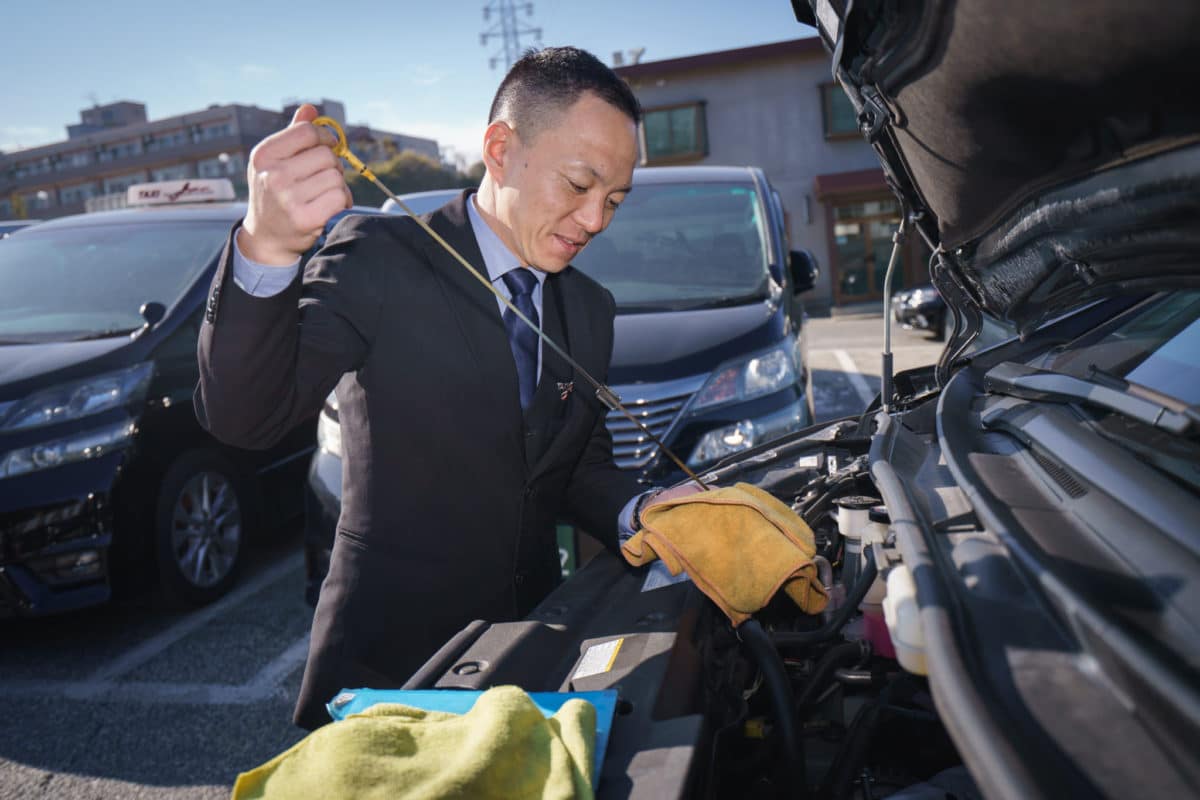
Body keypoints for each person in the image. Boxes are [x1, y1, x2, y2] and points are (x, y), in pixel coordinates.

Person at [194, 47, 673, 731]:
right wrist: (266, 248)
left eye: (615, 200)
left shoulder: (590, 307)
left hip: (531, 660)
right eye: (579, 184)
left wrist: (647, 511)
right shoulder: (380, 257)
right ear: (501, 150)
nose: (595, 219)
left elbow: (575, 465)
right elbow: (244, 418)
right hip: (392, 674)